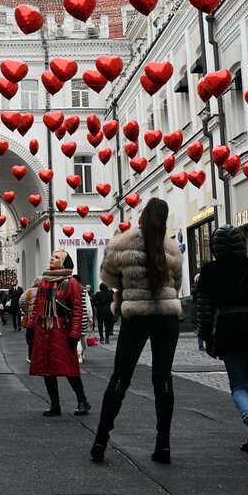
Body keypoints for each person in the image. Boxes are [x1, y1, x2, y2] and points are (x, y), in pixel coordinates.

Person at [91, 198, 182, 464]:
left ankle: (100, 440)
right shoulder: (173, 249)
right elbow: (177, 283)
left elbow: (107, 278)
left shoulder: (123, 242)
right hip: (166, 318)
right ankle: (163, 445)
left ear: (141, 218)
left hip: (136, 316)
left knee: (120, 378)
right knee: (163, 379)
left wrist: (127, 284)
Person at [193, 225, 248, 461]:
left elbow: (204, 310)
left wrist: (206, 338)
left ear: (215, 247)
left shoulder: (210, 271)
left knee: (239, 385)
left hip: (228, 331)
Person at [29, 250, 90, 417]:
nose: (51, 258)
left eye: (56, 257)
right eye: (52, 256)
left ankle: (83, 401)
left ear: (63, 263)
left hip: (62, 330)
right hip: (44, 329)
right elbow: (37, 306)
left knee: (69, 368)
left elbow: (78, 310)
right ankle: (55, 405)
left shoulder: (71, 283)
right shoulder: (44, 282)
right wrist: (31, 325)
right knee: (47, 369)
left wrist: (74, 334)